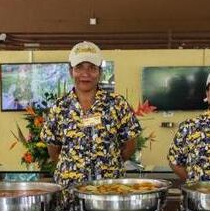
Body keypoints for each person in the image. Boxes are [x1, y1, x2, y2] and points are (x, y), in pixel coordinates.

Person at [41, 42, 140, 186]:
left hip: (108, 189)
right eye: (79, 67)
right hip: (69, 190)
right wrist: (75, 169)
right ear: (70, 71)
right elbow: (53, 150)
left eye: (92, 68)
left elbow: (130, 146)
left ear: (100, 72)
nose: (85, 74)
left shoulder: (117, 104)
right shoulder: (59, 107)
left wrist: (108, 164)